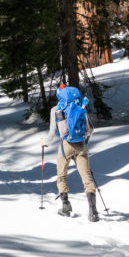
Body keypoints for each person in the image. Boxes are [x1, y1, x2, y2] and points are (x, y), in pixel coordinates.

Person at [40, 83, 99, 222]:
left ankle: (65, 206)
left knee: (61, 175)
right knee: (87, 177)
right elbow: (91, 129)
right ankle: (93, 211)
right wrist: (85, 142)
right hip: (81, 145)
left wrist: (45, 142)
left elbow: (53, 131)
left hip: (65, 145)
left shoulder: (56, 109)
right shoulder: (80, 106)